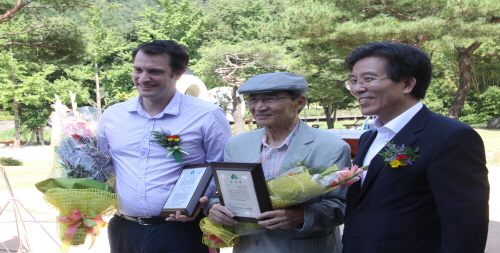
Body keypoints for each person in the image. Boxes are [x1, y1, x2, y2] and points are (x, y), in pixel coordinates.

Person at [341, 42, 490, 253]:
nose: (358, 88)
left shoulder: (451, 137)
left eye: (368, 79)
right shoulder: (368, 137)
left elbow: (466, 225)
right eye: (353, 81)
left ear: (407, 84)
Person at [98, 40, 232, 253]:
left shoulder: (207, 115)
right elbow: (101, 165)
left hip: (182, 230)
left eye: (154, 71)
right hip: (125, 230)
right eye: (138, 69)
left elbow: (223, 168)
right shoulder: (113, 115)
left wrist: (201, 199)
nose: (143, 78)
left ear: (179, 72)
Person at [206, 72, 351, 253]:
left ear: (299, 102)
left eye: (270, 99)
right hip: (249, 247)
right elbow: (226, 194)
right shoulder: (236, 145)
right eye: (253, 100)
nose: (259, 107)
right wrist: (214, 207)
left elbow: (342, 206)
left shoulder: (331, 147)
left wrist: (301, 216)